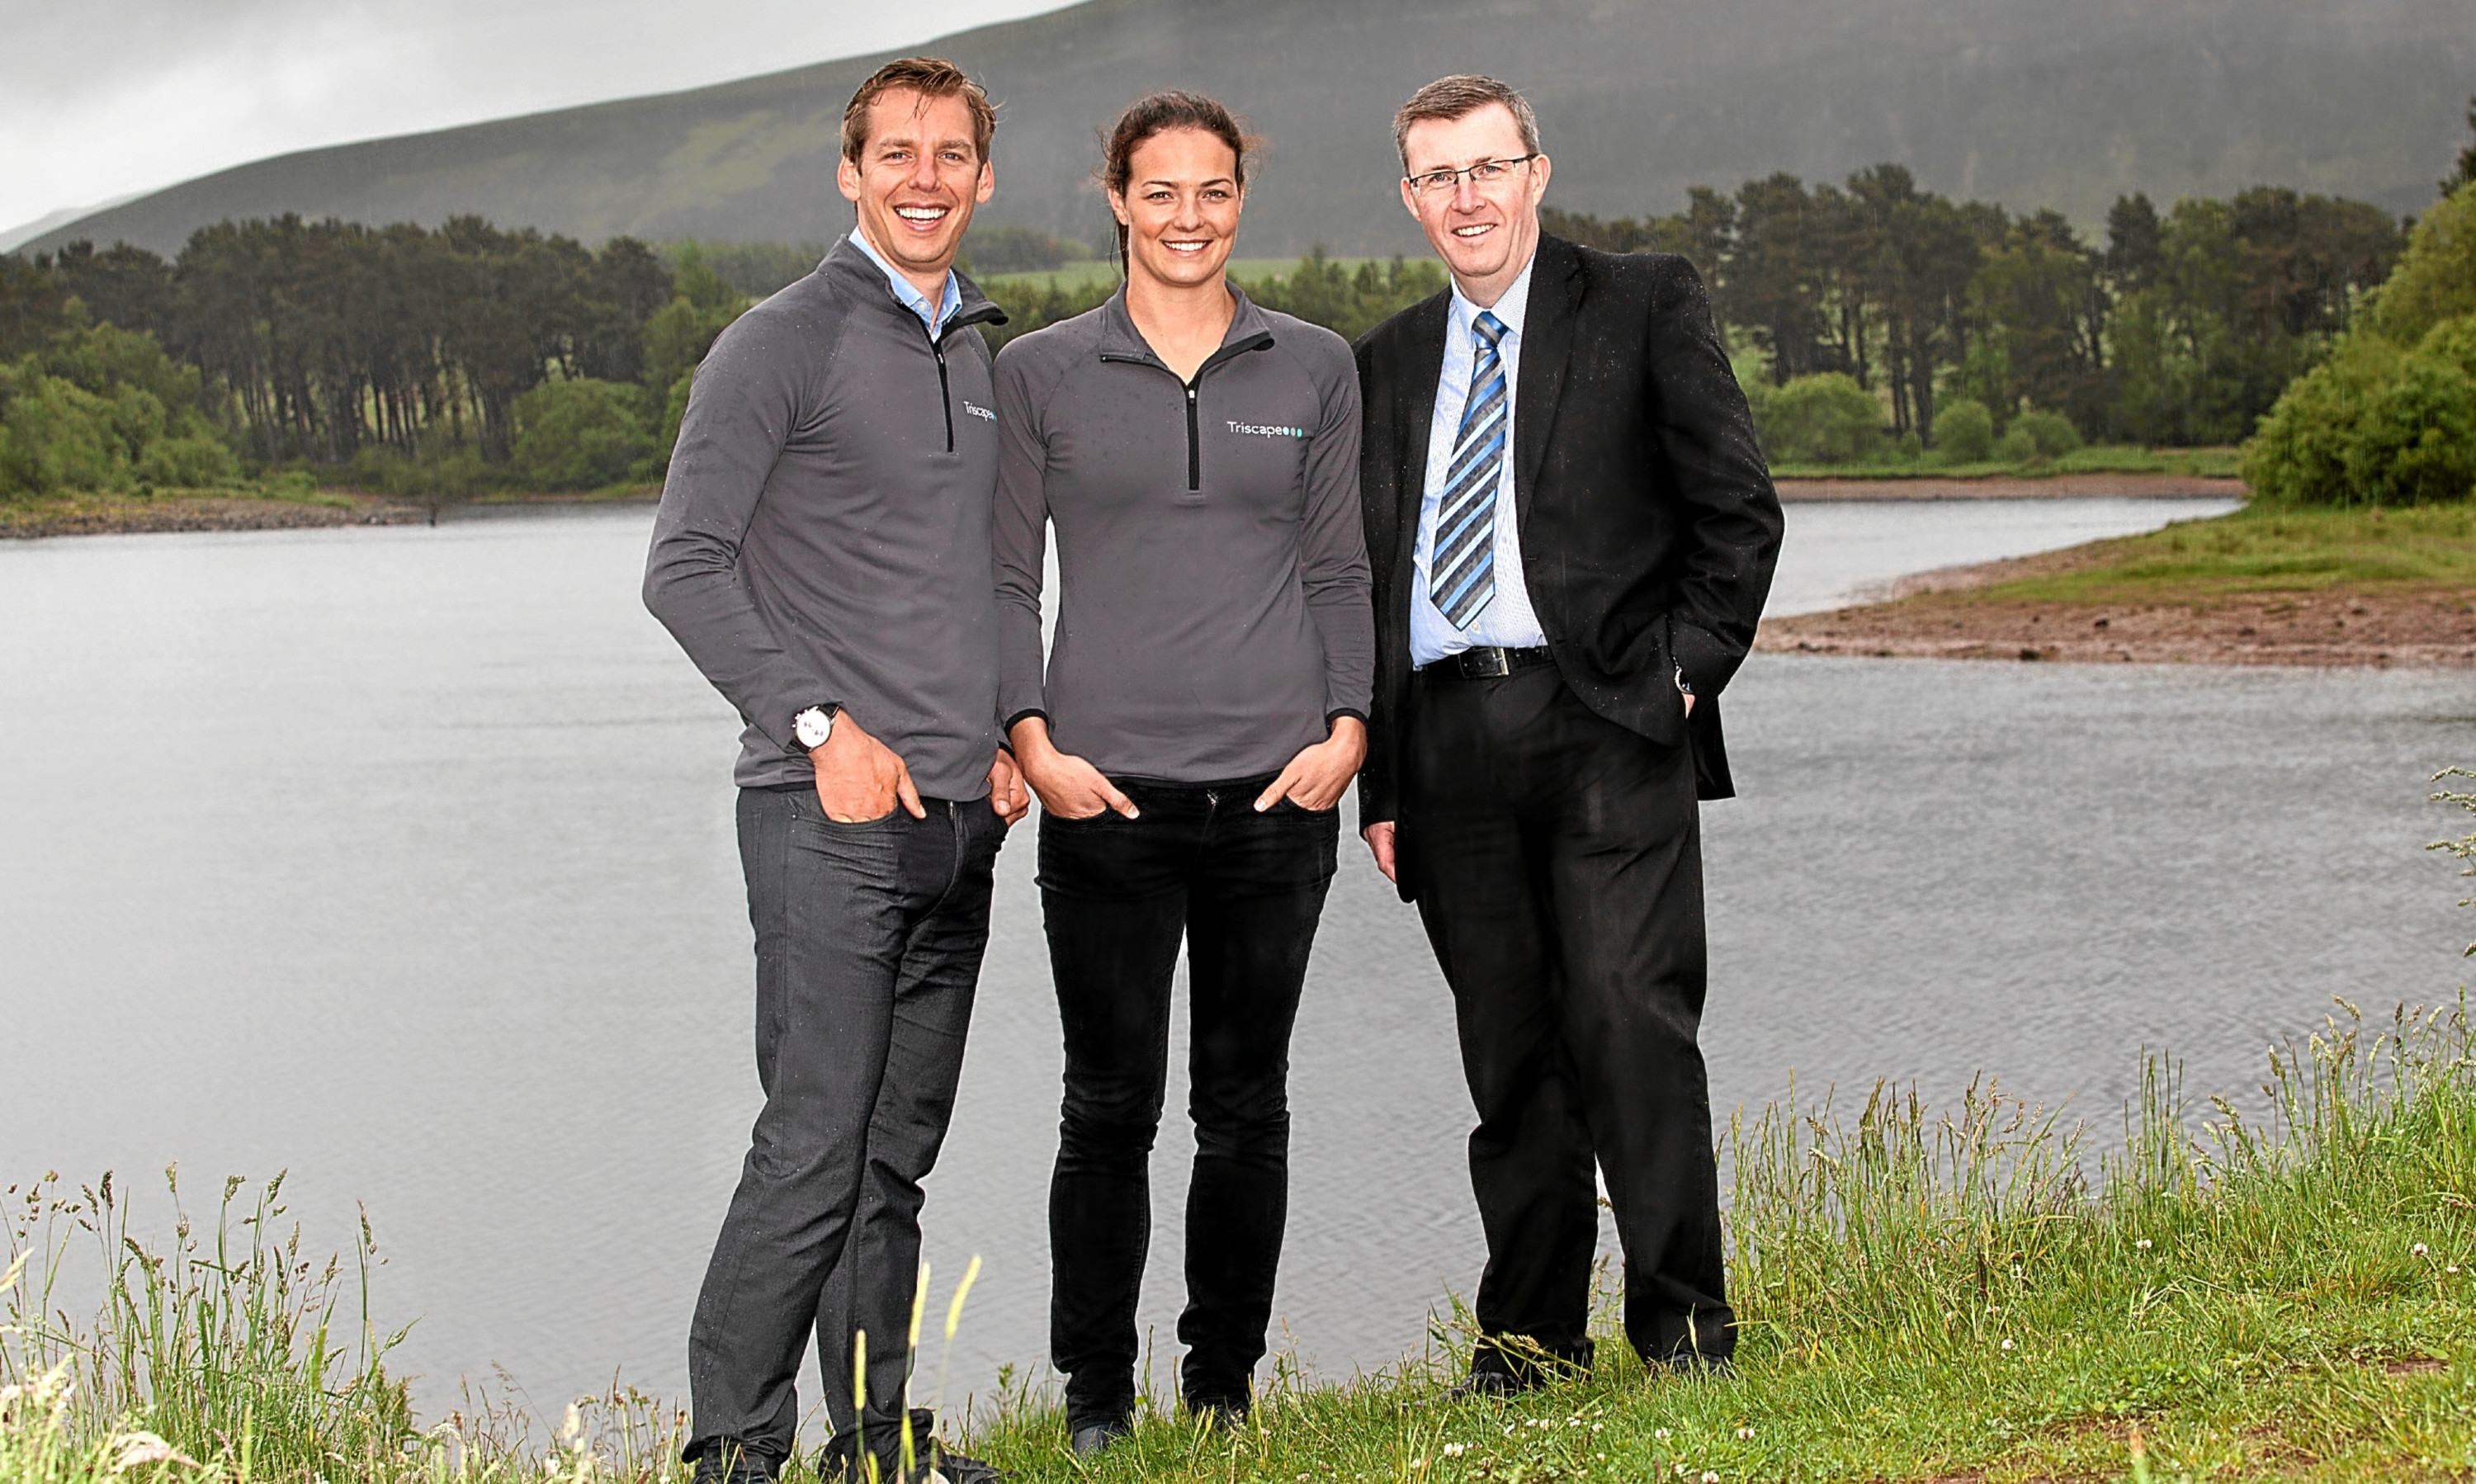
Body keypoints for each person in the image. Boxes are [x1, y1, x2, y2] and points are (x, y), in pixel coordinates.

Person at [1352, 75, 1783, 1392]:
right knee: (1512, 1053)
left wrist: (1682, 682)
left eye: (1489, 168)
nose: (1466, 198)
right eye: (1438, 177)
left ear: (1537, 172)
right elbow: (1370, 575)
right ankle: (1528, 1345)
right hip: (1446, 744)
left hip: (1609, 720)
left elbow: (1738, 515)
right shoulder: (1388, 358)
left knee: (1628, 1019)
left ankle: (1685, 1330)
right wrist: (1380, 773)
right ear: (1412, 198)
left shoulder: (1645, 300)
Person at [642, 55, 1028, 1484]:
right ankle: (733, 1450)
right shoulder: (779, 342)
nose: (924, 177)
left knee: (890, 1160)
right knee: (812, 1145)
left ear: (984, 179)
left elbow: (988, 583)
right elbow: (682, 569)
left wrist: (998, 734)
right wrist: (820, 727)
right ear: (850, 172)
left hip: (957, 825)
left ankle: (874, 1446)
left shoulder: (976, 352)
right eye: (896, 153)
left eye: (951, 155)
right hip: (825, 820)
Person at [990, 92, 1374, 1456]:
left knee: (1245, 1108)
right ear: (1116, 199)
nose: (1188, 217)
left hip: (1278, 802)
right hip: (1104, 804)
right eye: (1161, 192)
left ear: (1239, 203)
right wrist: (1031, 740)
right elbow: (1000, 575)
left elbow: (1339, 567)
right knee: (1106, 1108)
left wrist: (1347, 728)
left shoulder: (1313, 366)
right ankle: (1097, 1397)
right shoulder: (1036, 372)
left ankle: (1220, 1391)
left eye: (1213, 192)